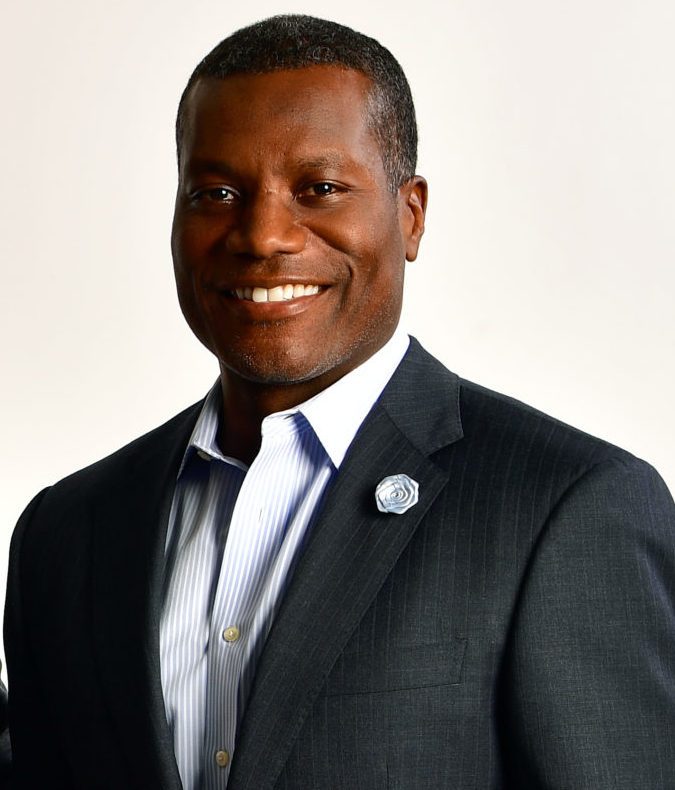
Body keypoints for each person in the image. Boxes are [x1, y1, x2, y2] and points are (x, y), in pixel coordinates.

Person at [4, 14, 675, 790]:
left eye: (318, 189)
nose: (263, 236)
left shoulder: (565, 507)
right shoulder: (67, 530)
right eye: (216, 192)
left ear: (410, 215)